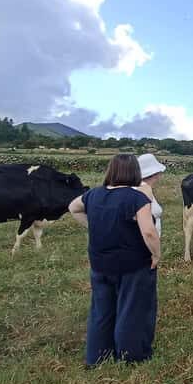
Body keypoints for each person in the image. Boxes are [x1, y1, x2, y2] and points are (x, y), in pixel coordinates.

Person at [68, 154, 161, 365]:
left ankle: (97, 357)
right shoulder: (137, 197)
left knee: (102, 310)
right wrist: (156, 254)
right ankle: (131, 357)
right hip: (133, 264)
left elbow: (73, 207)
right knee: (132, 309)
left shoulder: (93, 194)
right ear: (135, 173)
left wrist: (94, 225)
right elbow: (148, 232)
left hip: (100, 264)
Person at [137, 153, 166, 236]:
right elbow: (147, 231)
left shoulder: (144, 188)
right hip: (145, 245)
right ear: (155, 174)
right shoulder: (142, 190)